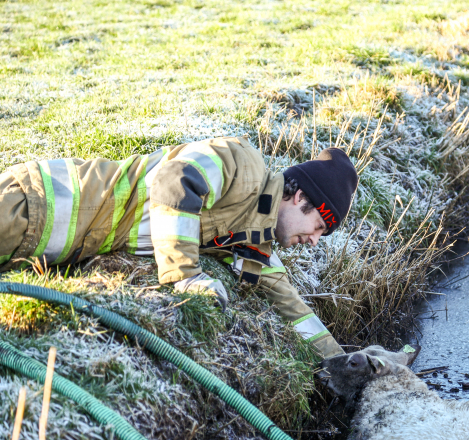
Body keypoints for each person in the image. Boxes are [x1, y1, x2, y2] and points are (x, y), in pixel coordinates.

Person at [0, 135, 358, 358]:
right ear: (300, 198)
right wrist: (185, 274)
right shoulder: (243, 163)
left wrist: (340, 363)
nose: (312, 241)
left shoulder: (256, 237)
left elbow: (293, 309)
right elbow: (176, 180)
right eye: (319, 228)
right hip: (37, 205)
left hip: (48, 245)